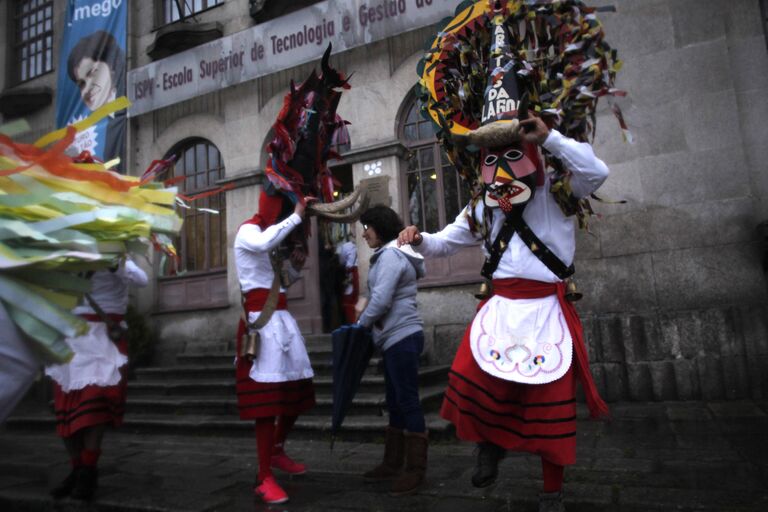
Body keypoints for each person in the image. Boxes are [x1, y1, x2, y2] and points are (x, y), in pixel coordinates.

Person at [398, 115, 610, 512]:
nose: (501, 169)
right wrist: (419, 237)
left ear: (532, 152)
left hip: (547, 311)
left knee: (550, 406)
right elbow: (444, 242)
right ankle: (489, 447)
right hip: (499, 310)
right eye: (492, 159)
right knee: (475, 383)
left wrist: (549, 138)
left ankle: (552, 492)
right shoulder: (483, 207)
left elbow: (596, 171)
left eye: (513, 154)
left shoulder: (559, 194)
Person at [234, 191, 316, 505]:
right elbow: (262, 244)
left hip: (281, 322)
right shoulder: (248, 231)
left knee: (296, 393)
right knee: (266, 405)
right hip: (261, 323)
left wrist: (294, 269)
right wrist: (297, 214)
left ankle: (278, 450)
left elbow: (279, 284)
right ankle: (263, 475)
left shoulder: (270, 237)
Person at [44, 257, 148, 500]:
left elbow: (142, 280)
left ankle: (88, 471)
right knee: (66, 410)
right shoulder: (67, 257)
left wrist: (115, 264)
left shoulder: (120, 260)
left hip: (102, 337)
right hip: (70, 336)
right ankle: (78, 469)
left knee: (94, 407)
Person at [356, 205, 428, 496]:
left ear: (380, 226)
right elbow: (375, 297)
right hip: (395, 338)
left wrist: (361, 325)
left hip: (401, 336)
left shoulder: (390, 256)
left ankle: (415, 470)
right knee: (396, 401)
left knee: (407, 401)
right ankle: (392, 462)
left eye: (367, 227)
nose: (363, 234)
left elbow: (382, 299)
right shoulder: (390, 256)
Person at [66, 30, 126, 165]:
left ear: (112, 66)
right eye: (81, 84)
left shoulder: (128, 103)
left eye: (92, 73)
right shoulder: (112, 124)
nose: (87, 88)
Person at [338, 233, 359, 324]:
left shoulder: (346, 246)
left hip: (351, 274)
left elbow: (341, 261)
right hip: (355, 274)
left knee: (349, 299)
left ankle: (352, 323)